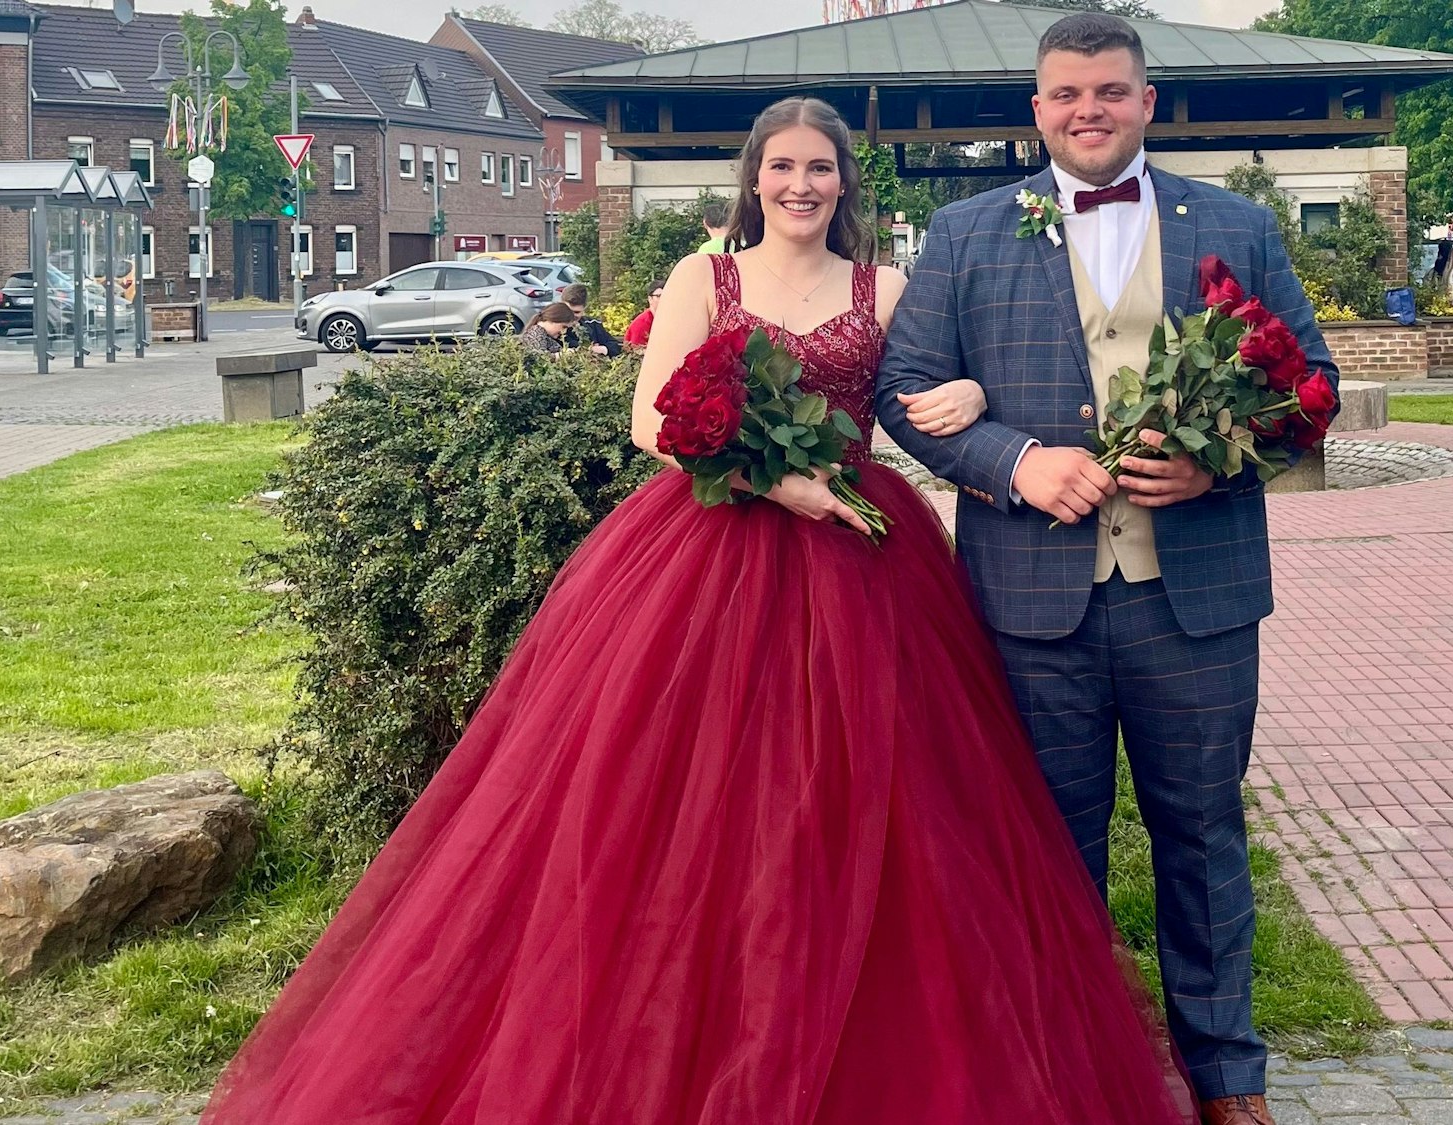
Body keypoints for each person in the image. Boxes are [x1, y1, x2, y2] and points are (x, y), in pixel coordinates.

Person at [197, 95, 1199, 1125]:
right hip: (710, 551)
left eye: (820, 168)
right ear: (754, 177)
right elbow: (652, 419)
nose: (801, 185)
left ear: (844, 181)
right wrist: (773, 481)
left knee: (879, 795)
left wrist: (975, 398)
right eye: (783, 167)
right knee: (685, 795)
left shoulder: (886, 287)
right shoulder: (702, 277)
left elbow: (933, 388)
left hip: (864, 564)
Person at [877, 15, 1338, 1125]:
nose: (1089, 110)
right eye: (1067, 94)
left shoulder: (1235, 225)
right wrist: (1012, 462)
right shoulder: (966, 232)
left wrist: (1220, 462)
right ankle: (1068, 1077)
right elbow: (903, 387)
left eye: (1111, 91)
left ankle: (1227, 1078)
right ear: (1037, 109)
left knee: (1204, 838)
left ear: (1147, 102)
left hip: (1197, 597)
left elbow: (1309, 386)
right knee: (1045, 851)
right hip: (1031, 602)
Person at [556, 283, 624, 357]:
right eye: (568, 310)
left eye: (576, 312)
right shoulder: (554, 326)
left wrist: (603, 349)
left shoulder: (593, 324)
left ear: (584, 309)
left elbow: (615, 345)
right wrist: (589, 349)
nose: (571, 316)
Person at [623, 279, 664, 348]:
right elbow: (636, 351)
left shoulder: (667, 320)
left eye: (665, 296)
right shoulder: (641, 323)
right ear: (650, 299)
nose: (663, 299)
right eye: (659, 296)